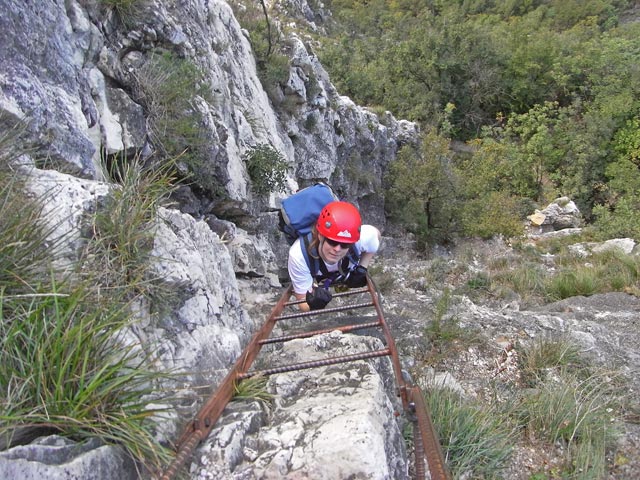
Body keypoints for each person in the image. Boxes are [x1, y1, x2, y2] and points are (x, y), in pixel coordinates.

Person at [288, 201, 381, 311]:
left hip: (341, 267)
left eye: (345, 244)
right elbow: (302, 302)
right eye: (332, 242)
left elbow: (376, 235)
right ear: (320, 236)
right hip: (316, 270)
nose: (337, 249)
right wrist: (313, 304)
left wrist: (362, 267)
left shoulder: (361, 239)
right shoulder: (299, 256)